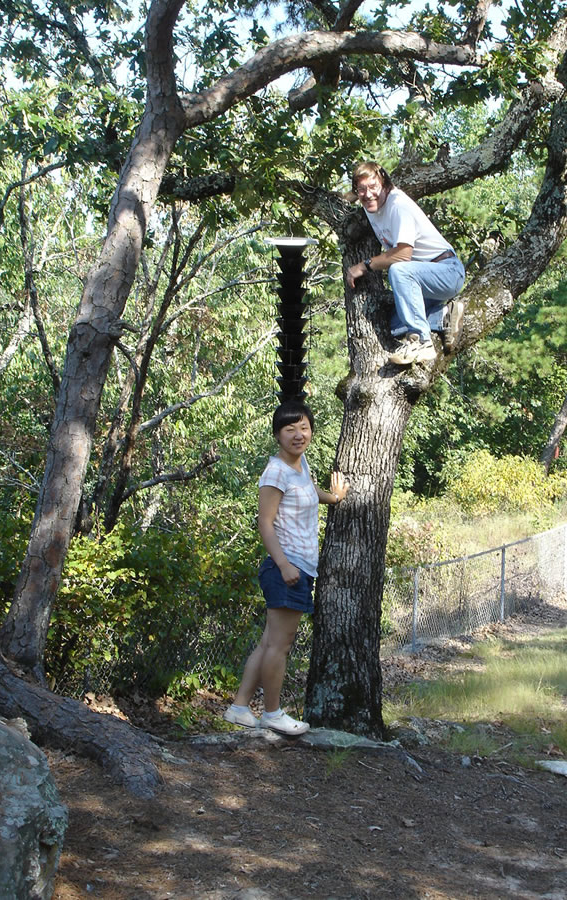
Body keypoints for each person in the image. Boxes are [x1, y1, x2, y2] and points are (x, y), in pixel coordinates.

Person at [224, 400, 349, 736]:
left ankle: (239, 708)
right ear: (278, 435)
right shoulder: (276, 471)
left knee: (269, 643)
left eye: (304, 427)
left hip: (297, 566)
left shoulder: (300, 464)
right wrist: (283, 564)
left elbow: (306, 494)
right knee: (281, 645)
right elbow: (265, 523)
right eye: (290, 429)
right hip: (287, 567)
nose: (298, 434)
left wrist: (333, 498)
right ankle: (272, 713)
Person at [346, 161, 466, 366]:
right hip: (421, 284)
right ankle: (443, 315)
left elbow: (403, 254)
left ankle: (422, 342)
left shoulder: (397, 205)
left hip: (446, 271)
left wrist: (364, 265)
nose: (368, 194)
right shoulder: (367, 202)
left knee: (398, 270)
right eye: (361, 190)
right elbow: (350, 196)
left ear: (383, 183)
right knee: (390, 327)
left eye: (373, 187)